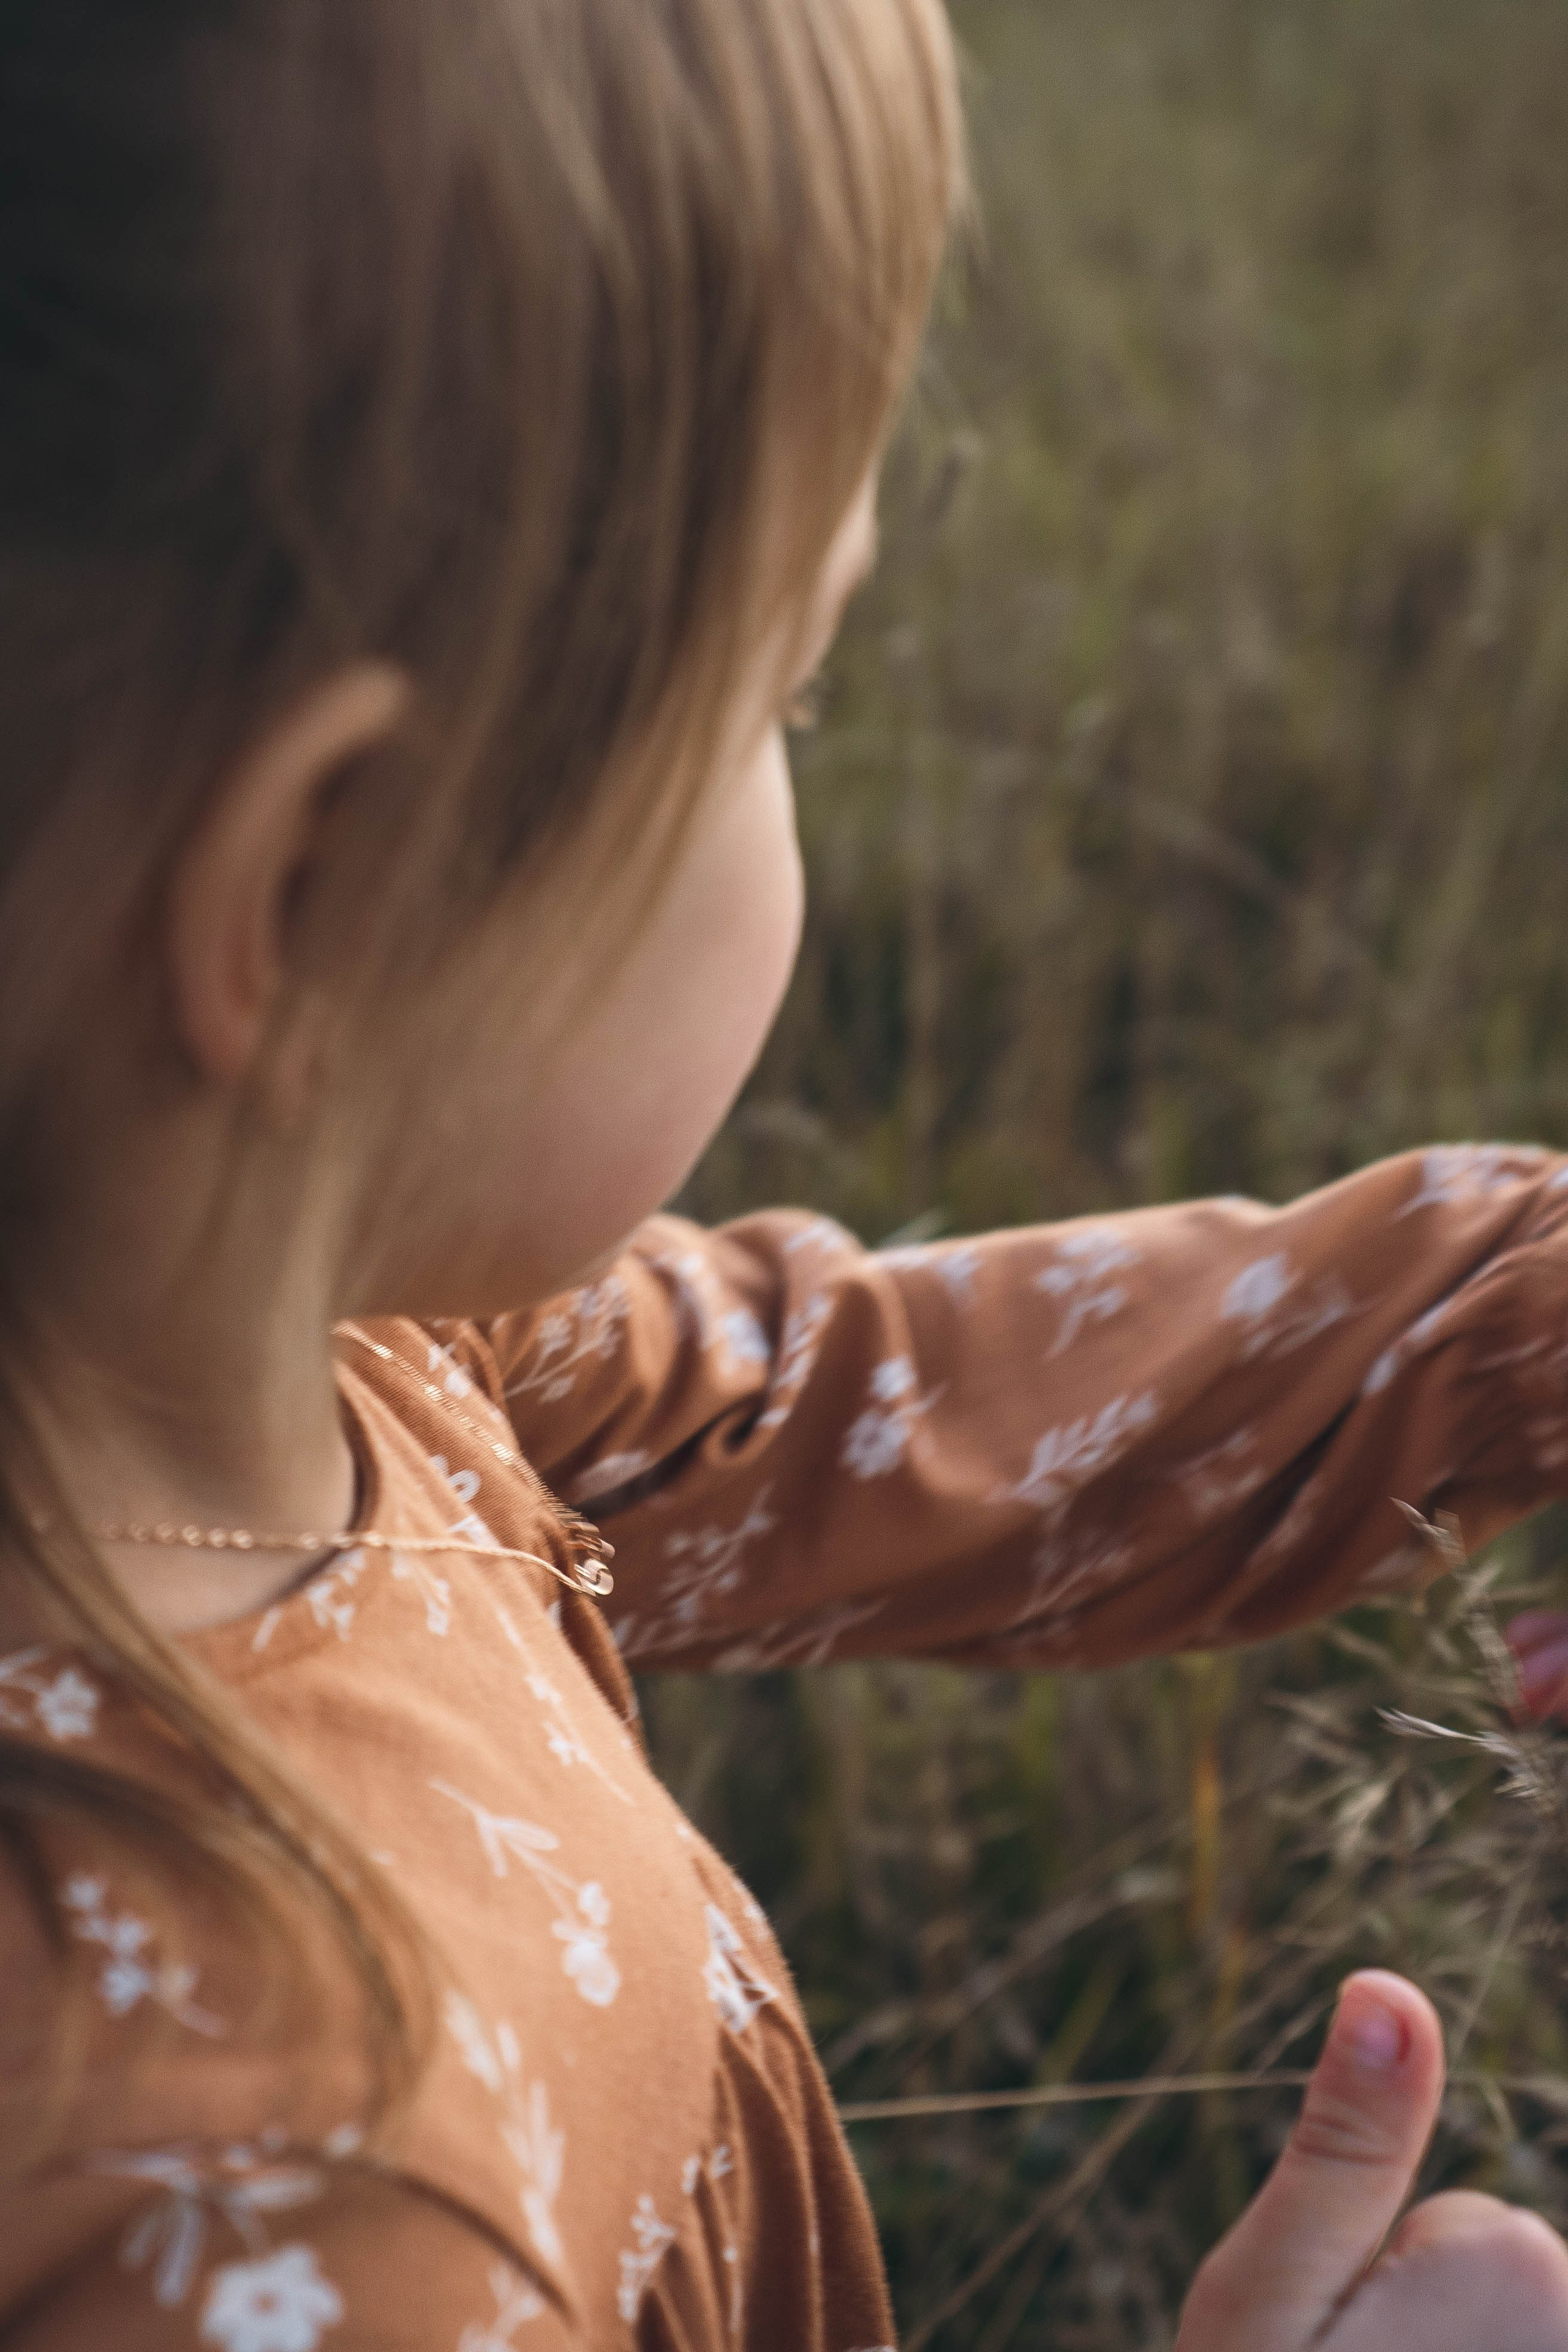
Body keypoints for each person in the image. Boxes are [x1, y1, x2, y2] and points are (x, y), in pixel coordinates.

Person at [2, 3, 1568, 2346]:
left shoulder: (303, 1351)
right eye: (782, 698)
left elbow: (885, 1404)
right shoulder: (269, 2223)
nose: (799, 768)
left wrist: (1531, 1329)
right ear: (327, 885)